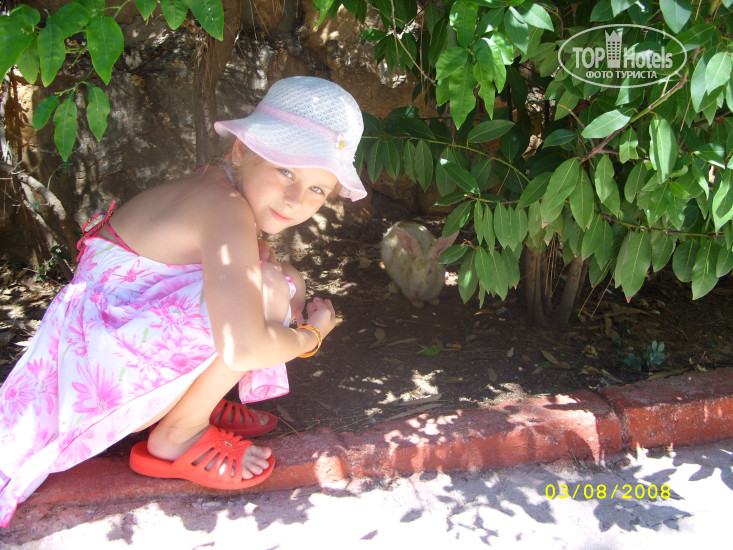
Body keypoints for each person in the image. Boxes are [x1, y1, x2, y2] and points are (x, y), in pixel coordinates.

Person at [0, 76, 367, 527]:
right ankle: (178, 433)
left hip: (103, 335)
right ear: (242, 151)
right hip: (95, 367)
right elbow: (244, 348)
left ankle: (194, 401)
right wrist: (312, 335)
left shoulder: (220, 186)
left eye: (317, 189)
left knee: (284, 278)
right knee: (271, 289)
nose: (296, 200)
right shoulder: (226, 208)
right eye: (286, 172)